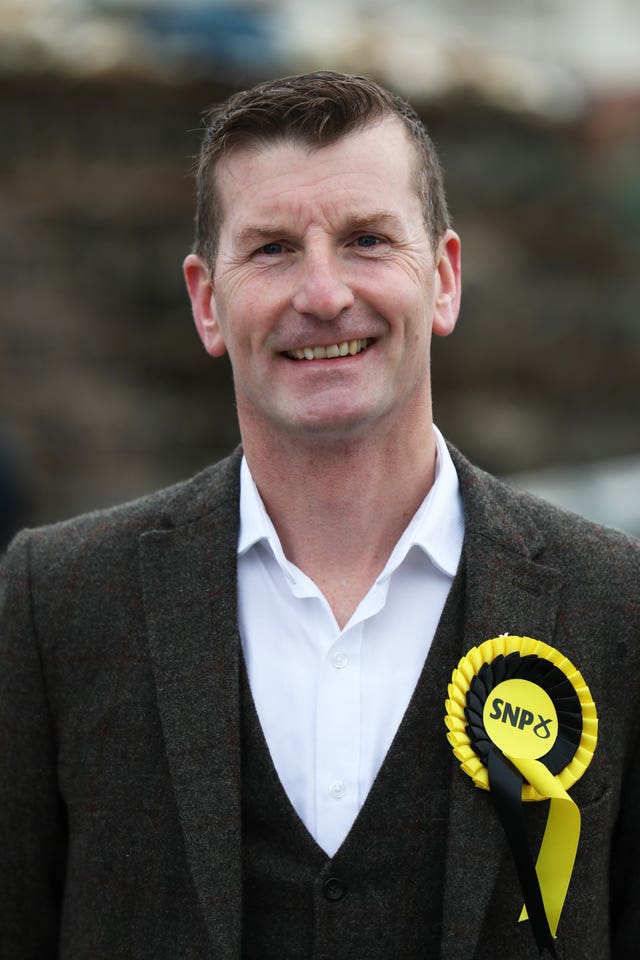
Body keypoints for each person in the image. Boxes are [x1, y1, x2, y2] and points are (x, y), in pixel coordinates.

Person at [0, 71, 638, 960]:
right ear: (205, 302)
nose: (324, 294)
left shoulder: (618, 606)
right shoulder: (54, 602)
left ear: (444, 280)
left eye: (368, 240)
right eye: (271, 250)